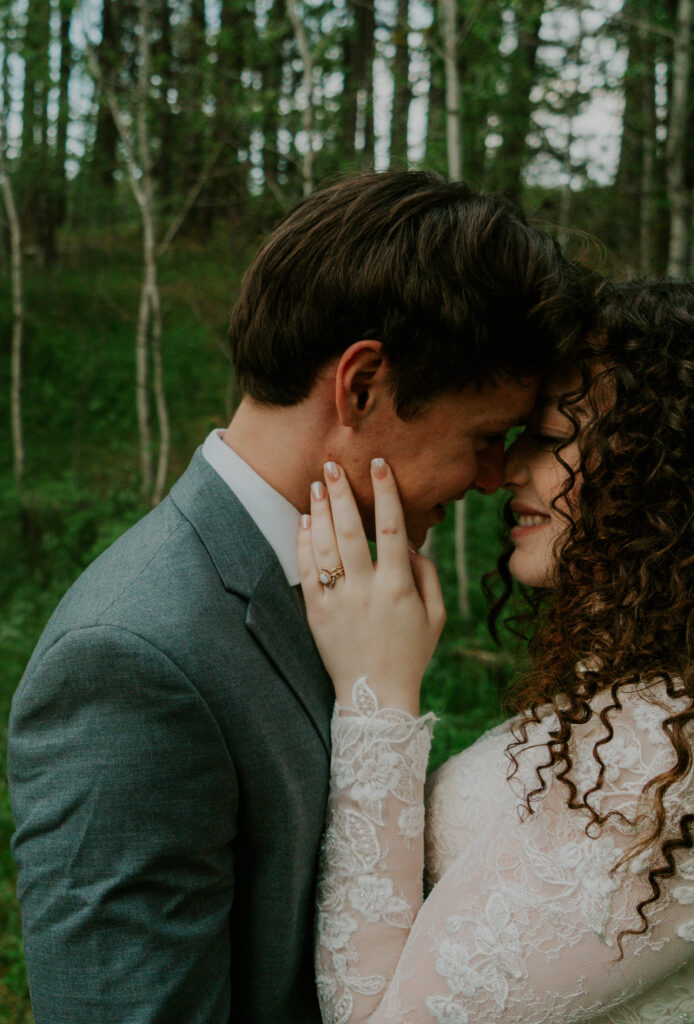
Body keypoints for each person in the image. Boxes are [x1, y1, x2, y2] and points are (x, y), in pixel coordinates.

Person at [7, 171, 590, 1023]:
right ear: (361, 386)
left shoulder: (362, 590)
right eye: (484, 437)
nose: (495, 477)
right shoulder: (131, 659)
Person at [302, 280, 694, 1024]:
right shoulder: (629, 702)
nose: (507, 472)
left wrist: (378, 700)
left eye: (549, 441)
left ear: (660, 469)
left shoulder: (660, 767)